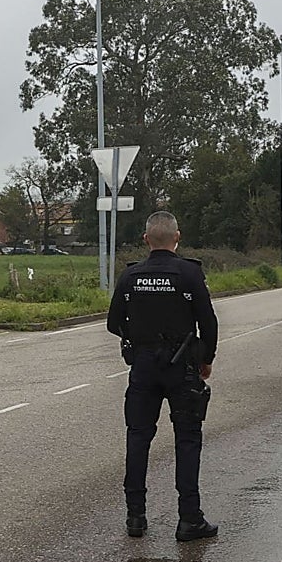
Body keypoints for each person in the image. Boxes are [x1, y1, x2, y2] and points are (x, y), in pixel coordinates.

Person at [107, 211, 220, 542]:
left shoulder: (130, 277)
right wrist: (206, 359)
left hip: (142, 367)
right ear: (177, 237)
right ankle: (189, 519)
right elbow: (208, 323)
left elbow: (113, 322)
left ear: (146, 240)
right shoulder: (190, 274)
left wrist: (137, 340)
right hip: (181, 368)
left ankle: (135, 518)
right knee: (187, 439)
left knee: (138, 437)